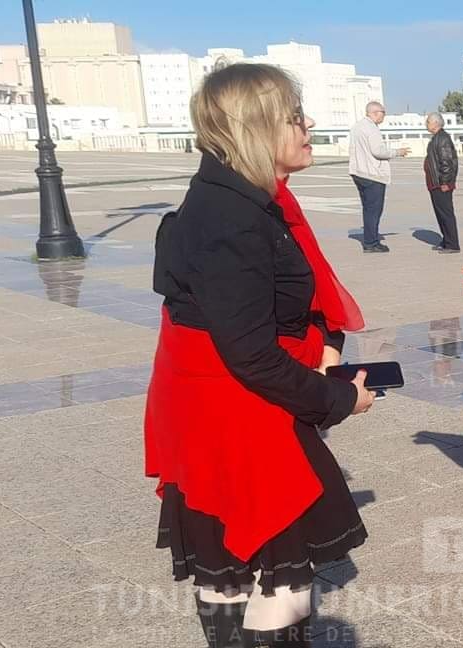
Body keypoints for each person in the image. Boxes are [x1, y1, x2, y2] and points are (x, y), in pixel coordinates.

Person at [146, 63, 374, 648]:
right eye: (296, 117)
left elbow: (264, 315)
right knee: (284, 585)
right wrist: (340, 398)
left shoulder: (233, 197)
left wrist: (322, 344)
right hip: (236, 414)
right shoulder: (235, 220)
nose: (309, 125)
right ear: (258, 127)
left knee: (225, 570)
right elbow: (250, 354)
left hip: (210, 407)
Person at [349, 101, 409, 253]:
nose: (384, 115)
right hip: (372, 174)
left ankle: (370, 239)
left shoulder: (357, 127)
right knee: (374, 210)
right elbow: (378, 151)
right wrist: (397, 152)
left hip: (359, 172)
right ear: (375, 112)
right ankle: (371, 242)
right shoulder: (371, 128)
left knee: (368, 209)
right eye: (383, 112)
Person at [423, 112, 460, 253]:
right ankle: (446, 240)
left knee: (446, 213)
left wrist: (445, 181)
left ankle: (452, 244)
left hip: (441, 184)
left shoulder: (442, 138)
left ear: (435, 123)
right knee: (440, 214)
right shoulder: (436, 138)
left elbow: (447, 162)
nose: (426, 124)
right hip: (435, 183)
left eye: (428, 122)